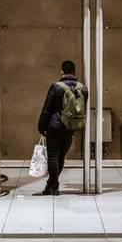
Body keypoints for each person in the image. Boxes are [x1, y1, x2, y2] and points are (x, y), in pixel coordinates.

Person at [35, 60, 89, 196]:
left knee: (53, 156)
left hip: (54, 126)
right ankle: (51, 185)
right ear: (74, 71)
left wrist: (41, 127)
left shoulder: (56, 87)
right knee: (61, 157)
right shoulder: (83, 88)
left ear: (62, 71)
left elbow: (47, 109)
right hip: (71, 126)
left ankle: (54, 186)